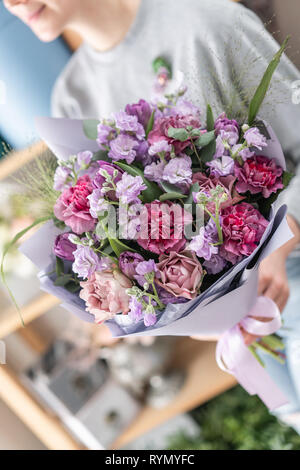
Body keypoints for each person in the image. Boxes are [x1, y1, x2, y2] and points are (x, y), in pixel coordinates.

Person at [4, 0, 300, 429]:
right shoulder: (70, 98)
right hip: (240, 337)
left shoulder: (206, 22)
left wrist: (282, 238)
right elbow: (110, 241)